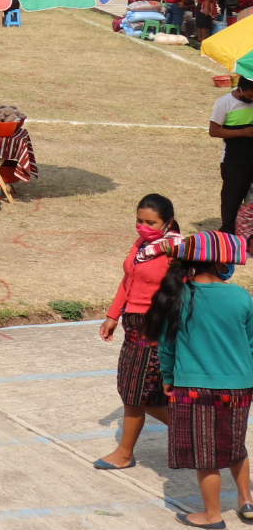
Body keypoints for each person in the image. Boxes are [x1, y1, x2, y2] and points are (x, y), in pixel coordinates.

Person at [144, 231, 253, 530]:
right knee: (234, 445)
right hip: (240, 387)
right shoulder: (243, 297)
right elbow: (252, 343)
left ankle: (212, 514)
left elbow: (167, 345)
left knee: (206, 454)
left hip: (194, 388)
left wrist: (168, 376)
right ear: (221, 264)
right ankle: (247, 500)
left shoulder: (179, 295)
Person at [95, 193, 177, 471]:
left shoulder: (175, 251)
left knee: (138, 393)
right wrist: (113, 315)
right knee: (131, 390)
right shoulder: (142, 245)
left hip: (154, 327)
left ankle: (189, 428)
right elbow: (128, 279)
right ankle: (126, 452)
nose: (143, 227)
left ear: (168, 223)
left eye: (151, 222)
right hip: (132, 326)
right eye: (139, 221)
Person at [210, 77, 253, 223]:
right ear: (240, 90)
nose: (252, 99)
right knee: (232, 202)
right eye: (250, 96)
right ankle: (229, 233)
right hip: (234, 162)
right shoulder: (225, 103)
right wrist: (242, 132)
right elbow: (214, 131)